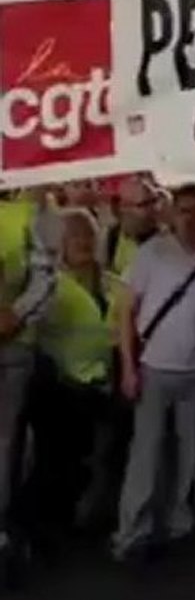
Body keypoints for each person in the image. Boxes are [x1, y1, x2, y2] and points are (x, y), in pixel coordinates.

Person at [113, 184, 195, 562]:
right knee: (146, 454)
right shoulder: (152, 254)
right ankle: (134, 530)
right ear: (171, 214)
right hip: (155, 368)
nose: (190, 217)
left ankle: (177, 523)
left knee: (189, 454)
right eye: (182, 210)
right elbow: (126, 312)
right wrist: (129, 367)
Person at [29, 211, 125, 543]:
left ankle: (93, 517)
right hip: (64, 387)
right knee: (59, 461)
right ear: (60, 244)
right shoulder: (49, 287)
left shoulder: (114, 284)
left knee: (105, 456)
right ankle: (52, 526)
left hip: (106, 384)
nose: (83, 242)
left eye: (88, 235)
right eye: (74, 236)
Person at [0, 190, 57, 582]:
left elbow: (45, 276)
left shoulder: (23, 215)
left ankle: (5, 533)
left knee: (8, 446)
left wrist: (15, 314)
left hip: (12, 346)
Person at [104, 178, 161, 276]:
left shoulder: (165, 241)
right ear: (122, 208)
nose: (154, 209)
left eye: (155, 201)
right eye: (144, 204)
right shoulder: (112, 236)